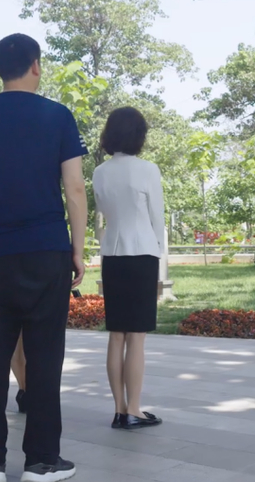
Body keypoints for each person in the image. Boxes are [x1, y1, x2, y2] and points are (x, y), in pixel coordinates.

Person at [0, 33, 87, 482]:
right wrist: (78, 249)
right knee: (45, 358)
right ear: (35, 65)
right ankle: (42, 461)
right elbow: (75, 188)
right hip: (47, 249)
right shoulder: (58, 116)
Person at [92, 107, 164, 430]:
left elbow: (104, 212)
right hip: (142, 252)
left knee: (116, 334)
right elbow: (157, 218)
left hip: (112, 253)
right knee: (136, 336)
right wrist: (160, 256)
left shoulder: (100, 172)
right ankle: (134, 409)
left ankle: (120, 410)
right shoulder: (147, 169)